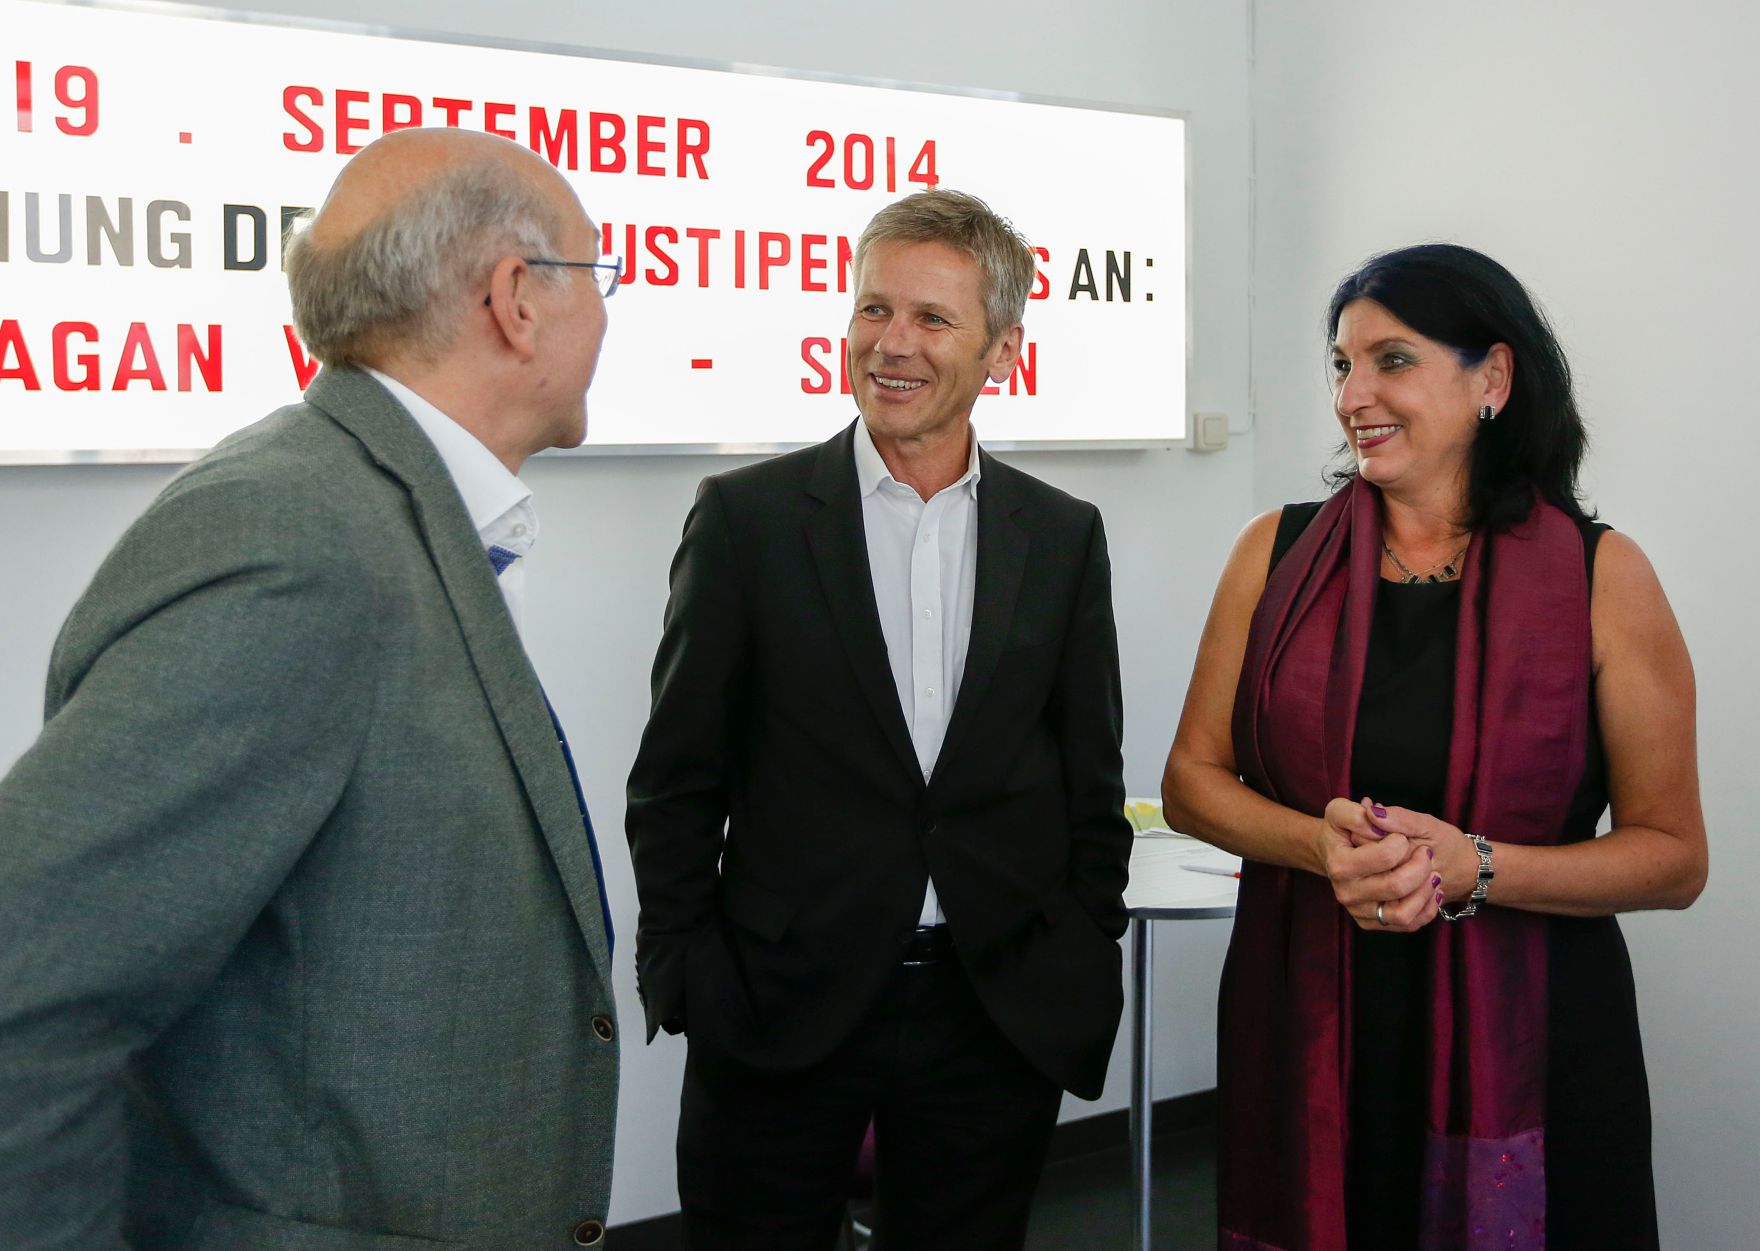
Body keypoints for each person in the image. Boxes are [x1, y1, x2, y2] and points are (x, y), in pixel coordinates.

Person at [0, 128, 622, 1250]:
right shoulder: (294, 540)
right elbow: (26, 992)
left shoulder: (385, 509)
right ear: (515, 300)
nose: (608, 315)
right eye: (596, 273)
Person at [1162, 243, 1707, 1250]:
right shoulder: (1271, 554)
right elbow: (1190, 782)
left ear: (1491, 379)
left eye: (1393, 360)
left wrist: (1477, 868)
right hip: (1316, 1019)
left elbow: (1673, 858)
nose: (1351, 395)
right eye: (1340, 364)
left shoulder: (1603, 578)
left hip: (1537, 1035)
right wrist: (1317, 846)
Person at [625, 188, 1132, 1250]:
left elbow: (1089, 776)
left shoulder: (1060, 535)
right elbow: (676, 777)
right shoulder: (748, 521)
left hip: (989, 1013)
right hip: (777, 1004)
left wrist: (1080, 947)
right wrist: (684, 974)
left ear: (1002, 350)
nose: (891, 343)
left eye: (932, 318)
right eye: (873, 309)